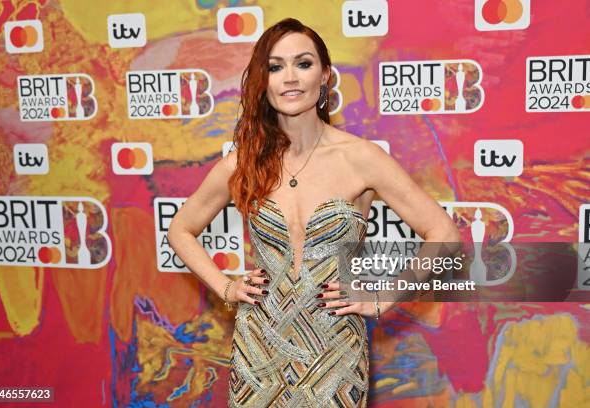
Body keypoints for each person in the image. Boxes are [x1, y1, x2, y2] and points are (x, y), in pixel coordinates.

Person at [167, 18, 460, 408]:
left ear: (324, 76)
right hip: (259, 351)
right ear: (263, 79)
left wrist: (385, 295)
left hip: (334, 350)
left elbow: (444, 233)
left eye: (303, 64)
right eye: (275, 66)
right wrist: (226, 288)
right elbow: (180, 230)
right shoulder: (244, 161)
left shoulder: (361, 158)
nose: (290, 77)